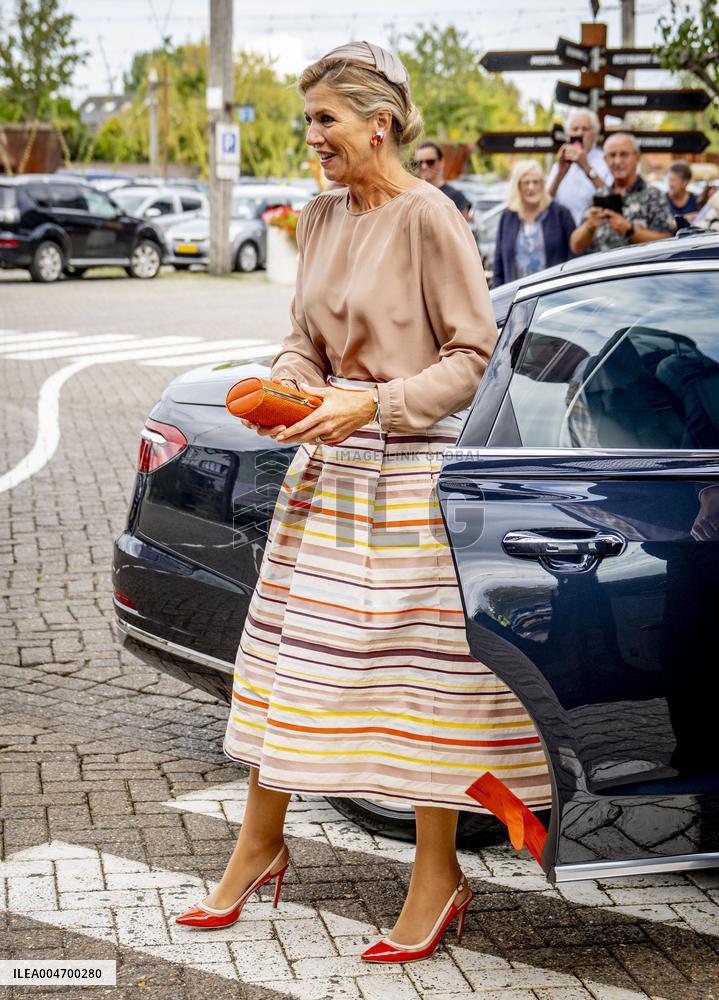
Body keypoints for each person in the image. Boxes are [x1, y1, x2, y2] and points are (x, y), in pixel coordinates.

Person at [175, 40, 549, 962]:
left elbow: (471, 356)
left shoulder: (431, 216)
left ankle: (437, 877)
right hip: (328, 473)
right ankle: (258, 847)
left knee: (422, 690)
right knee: (291, 670)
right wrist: (286, 384)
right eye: (309, 122)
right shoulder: (321, 214)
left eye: (324, 121)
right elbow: (304, 337)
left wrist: (373, 402)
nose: (312, 138)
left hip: (414, 474)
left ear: (377, 123)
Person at [570, 132, 676, 256]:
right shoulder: (600, 195)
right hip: (601, 273)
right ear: (605, 160)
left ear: (637, 157)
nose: (617, 161)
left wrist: (629, 230)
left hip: (637, 274)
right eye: (612, 155)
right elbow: (575, 246)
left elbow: (667, 242)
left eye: (624, 155)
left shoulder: (653, 196)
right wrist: (589, 227)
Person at [492, 159, 575, 286]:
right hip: (516, 298)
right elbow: (499, 265)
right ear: (518, 186)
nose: (531, 187)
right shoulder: (508, 217)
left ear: (542, 184)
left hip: (554, 297)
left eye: (536, 182)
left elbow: (574, 256)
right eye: (526, 183)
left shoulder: (560, 214)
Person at [547, 109, 612, 225]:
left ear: (594, 135)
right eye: (575, 129)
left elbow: (612, 198)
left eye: (585, 129)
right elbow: (545, 202)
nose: (579, 133)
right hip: (565, 234)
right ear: (568, 135)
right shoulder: (560, 163)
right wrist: (559, 174)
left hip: (597, 233)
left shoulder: (606, 161)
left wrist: (586, 166)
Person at [412, 140, 471, 218]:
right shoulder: (412, 196)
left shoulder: (456, 197)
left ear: (441, 162)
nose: (424, 166)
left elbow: (463, 229)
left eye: (430, 162)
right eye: (419, 163)